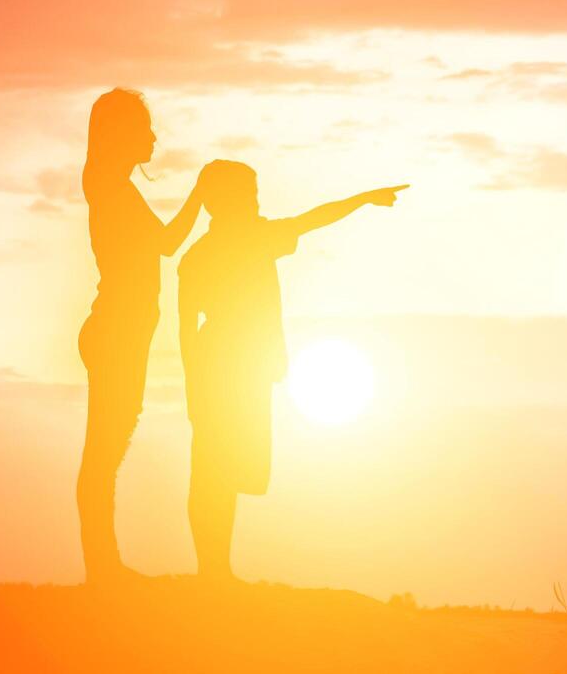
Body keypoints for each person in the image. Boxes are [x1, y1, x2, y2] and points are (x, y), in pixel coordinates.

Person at [178, 159, 406, 581]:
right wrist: (363, 199)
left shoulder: (214, 250)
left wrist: (361, 200)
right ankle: (212, 570)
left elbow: (313, 219)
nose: (255, 202)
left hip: (238, 367)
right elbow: (185, 329)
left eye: (255, 194)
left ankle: (215, 569)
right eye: (248, 195)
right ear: (224, 202)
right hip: (228, 368)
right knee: (213, 469)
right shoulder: (231, 246)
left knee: (221, 468)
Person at [76, 88, 207, 584]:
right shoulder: (108, 185)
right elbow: (170, 244)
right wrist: (201, 191)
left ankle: (104, 564)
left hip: (122, 333)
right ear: (120, 134)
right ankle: (101, 568)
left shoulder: (117, 188)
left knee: (109, 448)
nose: (153, 136)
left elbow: (164, 245)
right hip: (113, 332)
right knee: (102, 452)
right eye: (144, 127)